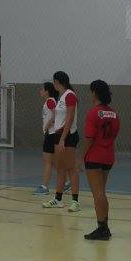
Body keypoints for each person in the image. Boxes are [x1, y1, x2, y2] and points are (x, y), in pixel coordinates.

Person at [82, 80, 120, 241]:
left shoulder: (93, 113)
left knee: (97, 194)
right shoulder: (114, 114)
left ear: (94, 93)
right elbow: (113, 135)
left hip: (94, 157)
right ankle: (105, 226)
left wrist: (81, 157)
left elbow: (89, 138)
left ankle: (102, 228)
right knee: (102, 193)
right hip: (108, 156)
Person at [43, 71, 81, 212]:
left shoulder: (70, 95)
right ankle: (58, 199)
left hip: (68, 136)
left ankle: (75, 201)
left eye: (54, 81)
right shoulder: (61, 97)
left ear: (57, 82)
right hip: (58, 135)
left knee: (71, 168)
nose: (53, 84)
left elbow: (70, 118)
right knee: (60, 168)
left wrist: (63, 139)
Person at [37, 81, 59, 195]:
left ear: (47, 91)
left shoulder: (50, 101)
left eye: (42, 89)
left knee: (47, 162)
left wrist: (48, 124)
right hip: (51, 134)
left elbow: (57, 114)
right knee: (53, 162)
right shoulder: (49, 101)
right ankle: (66, 182)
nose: (40, 91)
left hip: (51, 134)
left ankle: (44, 187)